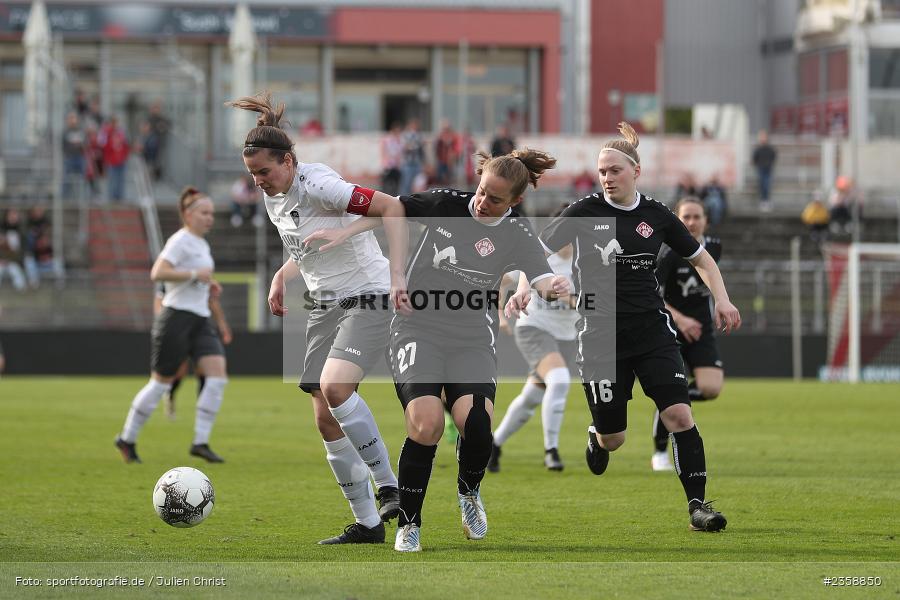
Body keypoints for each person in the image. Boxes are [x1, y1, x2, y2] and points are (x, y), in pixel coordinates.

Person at [526, 122, 741, 533]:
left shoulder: (657, 215)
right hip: (600, 337)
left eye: (614, 170)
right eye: (602, 171)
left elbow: (701, 259)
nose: (606, 177)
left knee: (679, 414)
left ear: (635, 171)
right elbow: (534, 251)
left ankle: (698, 506)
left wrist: (723, 298)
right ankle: (597, 435)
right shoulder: (583, 211)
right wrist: (528, 286)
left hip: (652, 331)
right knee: (615, 438)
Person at [227, 91, 410, 545]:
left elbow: (392, 207)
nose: (259, 182)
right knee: (325, 418)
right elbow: (306, 246)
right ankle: (368, 524)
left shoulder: (320, 184)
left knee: (335, 388)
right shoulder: (274, 196)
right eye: (252, 175)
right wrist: (280, 275)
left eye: (265, 172)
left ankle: (390, 485)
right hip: (323, 304)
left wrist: (397, 277)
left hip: (366, 293)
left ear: (288, 161)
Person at [379, 148, 566, 552]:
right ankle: (409, 523)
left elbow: (541, 275)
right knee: (427, 424)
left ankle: (469, 493)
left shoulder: (517, 231)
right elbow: (389, 206)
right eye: (481, 191)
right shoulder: (445, 203)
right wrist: (345, 231)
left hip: (471, 335)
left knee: (478, 424)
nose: (482, 203)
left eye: (495, 199)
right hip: (417, 327)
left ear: (515, 201)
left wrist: (556, 287)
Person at [115, 186, 230, 465]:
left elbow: (194, 278)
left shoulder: (202, 244)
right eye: (204, 213)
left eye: (212, 213)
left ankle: (200, 442)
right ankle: (127, 438)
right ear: (188, 215)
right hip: (176, 318)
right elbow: (158, 273)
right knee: (159, 385)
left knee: (217, 376)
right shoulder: (180, 240)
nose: (209, 218)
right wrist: (194, 274)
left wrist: (207, 285)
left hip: (200, 318)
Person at [490, 206, 578, 473]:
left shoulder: (586, 260)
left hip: (567, 334)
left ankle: (493, 444)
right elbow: (501, 280)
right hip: (534, 328)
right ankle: (551, 450)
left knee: (532, 396)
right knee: (559, 380)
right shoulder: (539, 257)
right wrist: (501, 317)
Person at [650, 196, 724, 472]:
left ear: (706, 220)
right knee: (674, 392)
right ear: (678, 220)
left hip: (702, 327)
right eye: (686, 217)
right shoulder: (669, 252)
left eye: (696, 217)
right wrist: (680, 319)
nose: (691, 222)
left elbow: (710, 279)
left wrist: (720, 303)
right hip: (671, 327)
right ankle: (659, 451)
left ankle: (671, 400)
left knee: (711, 388)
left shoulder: (714, 247)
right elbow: (654, 293)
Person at [153, 281, 233, 421]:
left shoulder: (201, 274)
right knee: (180, 370)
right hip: (178, 328)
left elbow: (212, 301)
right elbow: (159, 302)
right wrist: (166, 325)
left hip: (200, 328)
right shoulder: (171, 277)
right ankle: (170, 396)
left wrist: (223, 325)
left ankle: (202, 408)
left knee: (204, 370)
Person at [99, 116, 130, 202]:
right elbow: (101, 144)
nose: (115, 125)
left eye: (116, 123)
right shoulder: (106, 132)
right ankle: (111, 198)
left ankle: (120, 197)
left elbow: (125, 145)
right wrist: (106, 131)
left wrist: (125, 156)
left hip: (121, 160)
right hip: (111, 160)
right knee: (112, 179)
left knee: (121, 180)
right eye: (113, 123)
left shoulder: (121, 133)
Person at [752, 130, 777, 211]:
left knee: (767, 185)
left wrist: (770, 163)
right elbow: (754, 158)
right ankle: (763, 201)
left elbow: (773, 156)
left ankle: (766, 200)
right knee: (762, 185)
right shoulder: (758, 149)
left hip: (768, 169)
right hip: (761, 169)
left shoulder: (770, 148)